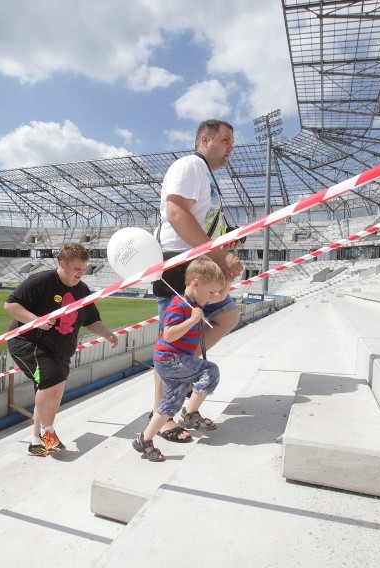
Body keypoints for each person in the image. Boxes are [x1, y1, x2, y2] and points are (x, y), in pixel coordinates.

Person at [150, 118, 243, 443]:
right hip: (178, 265)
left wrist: (225, 253)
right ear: (205, 139)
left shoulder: (204, 175)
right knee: (169, 345)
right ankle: (160, 419)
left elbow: (202, 225)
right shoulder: (190, 165)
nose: (231, 146)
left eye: (232, 141)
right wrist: (218, 257)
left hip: (196, 263)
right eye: (225, 139)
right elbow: (176, 214)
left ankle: (186, 382)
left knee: (228, 314)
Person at [4, 243, 118, 457]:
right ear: (62, 264)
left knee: (49, 392)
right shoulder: (40, 281)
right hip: (28, 342)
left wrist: (107, 333)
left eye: (83, 269)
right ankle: (49, 433)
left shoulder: (82, 290)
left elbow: (92, 320)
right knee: (51, 382)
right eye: (76, 269)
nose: (80, 273)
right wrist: (35, 320)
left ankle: (36, 442)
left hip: (60, 349)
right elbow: (10, 305)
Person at [134, 257, 224, 462]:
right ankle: (191, 414)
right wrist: (193, 320)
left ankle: (144, 440)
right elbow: (169, 335)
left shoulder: (192, 304)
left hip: (173, 360)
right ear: (196, 283)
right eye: (211, 292)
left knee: (170, 405)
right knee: (210, 371)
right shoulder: (178, 305)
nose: (212, 298)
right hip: (169, 360)